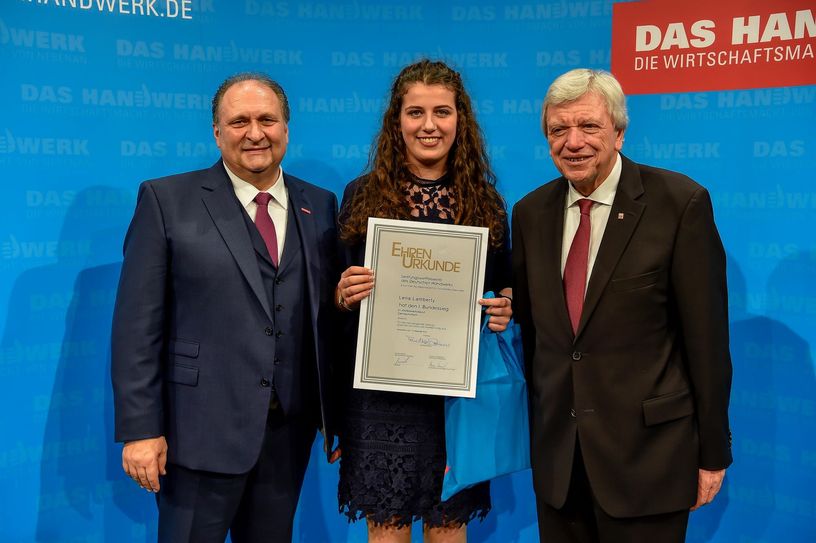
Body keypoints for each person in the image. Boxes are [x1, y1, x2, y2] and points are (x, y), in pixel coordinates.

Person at [111, 72, 340, 542]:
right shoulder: (166, 200)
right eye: (239, 121)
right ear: (217, 132)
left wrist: (337, 414)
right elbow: (137, 327)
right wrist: (140, 430)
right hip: (196, 436)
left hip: (287, 436)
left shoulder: (319, 204)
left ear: (286, 128)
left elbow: (326, 322)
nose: (255, 133)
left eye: (267, 120)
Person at [512, 68, 732, 543]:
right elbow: (535, 338)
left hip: (649, 462)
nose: (573, 142)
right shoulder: (529, 214)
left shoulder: (680, 203)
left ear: (618, 130)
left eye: (588, 126)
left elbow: (707, 341)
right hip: (560, 466)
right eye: (558, 129)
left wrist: (712, 452)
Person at [334, 59, 513, 543]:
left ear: (461, 120)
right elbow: (334, 301)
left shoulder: (486, 203)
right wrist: (343, 293)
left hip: (455, 398)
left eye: (442, 112)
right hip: (380, 396)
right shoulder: (362, 195)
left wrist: (503, 307)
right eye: (415, 113)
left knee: (447, 529)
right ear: (397, 122)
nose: (429, 125)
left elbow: (504, 287)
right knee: (386, 530)